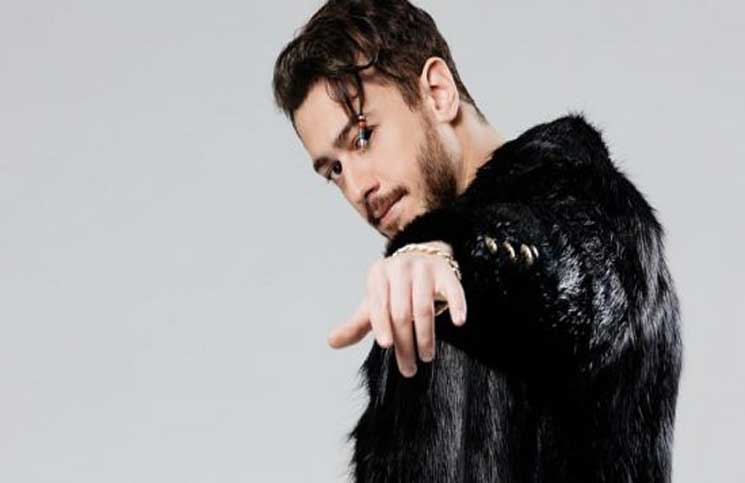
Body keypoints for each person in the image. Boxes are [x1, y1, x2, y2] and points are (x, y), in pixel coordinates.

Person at [272, 1, 683, 481]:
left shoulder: (595, 205)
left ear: (438, 92)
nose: (358, 187)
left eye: (363, 137)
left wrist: (454, 252)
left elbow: (567, 267)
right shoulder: (414, 296)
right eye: (335, 170)